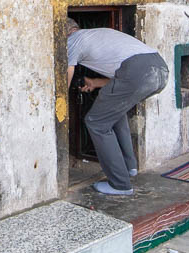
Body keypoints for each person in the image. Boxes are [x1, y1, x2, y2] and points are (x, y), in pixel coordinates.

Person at [66, 18, 169, 195]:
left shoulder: (72, 40)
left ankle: (120, 184)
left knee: (96, 122)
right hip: (159, 70)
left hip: (137, 72)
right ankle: (129, 166)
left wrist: (60, 100)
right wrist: (94, 82)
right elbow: (127, 72)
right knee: (115, 113)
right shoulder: (97, 34)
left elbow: (68, 72)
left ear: (64, 32)